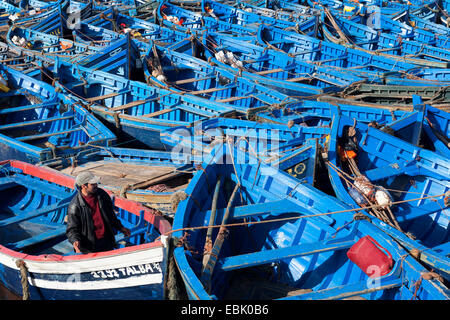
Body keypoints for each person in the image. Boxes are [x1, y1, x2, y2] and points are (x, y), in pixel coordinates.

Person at [66, 171, 131, 253]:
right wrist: (75, 240)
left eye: (96, 183)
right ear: (84, 186)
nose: (96, 185)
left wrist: (121, 228)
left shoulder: (102, 195)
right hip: (89, 245)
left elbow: (111, 216)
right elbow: (72, 229)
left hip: (106, 240)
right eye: (92, 184)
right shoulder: (75, 206)